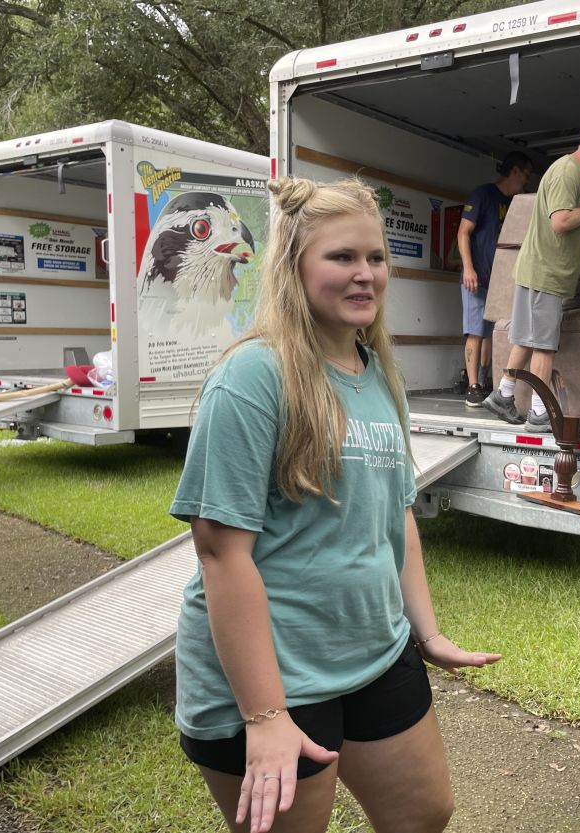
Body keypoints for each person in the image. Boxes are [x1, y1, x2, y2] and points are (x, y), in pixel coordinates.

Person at [169, 176, 502, 833]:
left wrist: (426, 631)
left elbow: (396, 512)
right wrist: (265, 715)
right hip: (275, 676)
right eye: (342, 257)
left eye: (375, 258)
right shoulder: (251, 377)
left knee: (425, 812)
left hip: (375, 651)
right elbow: (219, 551)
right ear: (294, 267)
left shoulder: (379, 374)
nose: (365, 274)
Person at [482, 117, 580, 432]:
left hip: (539, 272)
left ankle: (503, 395)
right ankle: (539, 413)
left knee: (525, 338)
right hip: (544, 274)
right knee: (545, 345)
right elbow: (560, 221)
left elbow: (579, 217)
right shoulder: (567, 172)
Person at [457, 151, 533, 407]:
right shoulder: (483, 194)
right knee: (475, 331)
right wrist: (468, 268)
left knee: (493, 332)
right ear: (514, 171)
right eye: (525, 174)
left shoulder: (513, 202)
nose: (527, 181)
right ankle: (472, 386)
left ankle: (488, 381)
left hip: (498, 280)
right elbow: (463, 232)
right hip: (476, 277)